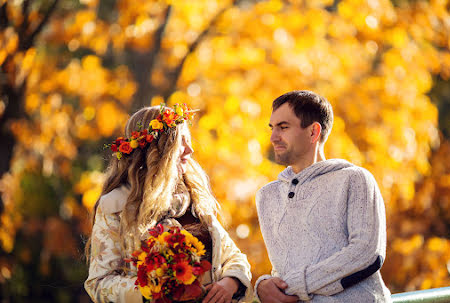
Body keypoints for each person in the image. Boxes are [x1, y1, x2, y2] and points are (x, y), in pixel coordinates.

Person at [85, 104, 252, 303]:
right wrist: (153, 289)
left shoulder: (195, 200)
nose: (190, 150)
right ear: (157, 149)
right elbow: (99, 284)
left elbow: (234, 256)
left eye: (189, 141)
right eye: (181, 142)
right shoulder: (115, 206)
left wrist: (231, 282)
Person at [254, 91, 391, 302]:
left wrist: (296, 285)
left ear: (313, 132)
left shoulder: (354, 180)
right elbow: (283, 268)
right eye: (272, 128)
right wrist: (263, 286)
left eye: (283, 127)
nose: (273, 137)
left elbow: (366, 253)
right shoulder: (267, 196)